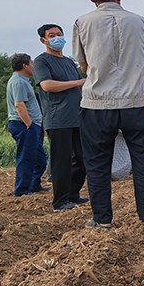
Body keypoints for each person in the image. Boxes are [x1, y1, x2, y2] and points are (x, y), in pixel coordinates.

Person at [72, 0, 144, 229]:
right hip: (138, 100)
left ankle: (102, 219)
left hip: (97, 103)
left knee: (97, 162)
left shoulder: (82, 22)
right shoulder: (141, 22)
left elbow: (83, 65)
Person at [33, 24, 88, 212]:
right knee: (61, 161)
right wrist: (78, 82)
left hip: (78, 118)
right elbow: (47, 85)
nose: (57, 38)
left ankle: (73, 194)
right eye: (52, 35)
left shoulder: (69, 62)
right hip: (58, 119)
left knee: (82, 159)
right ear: (43, 40)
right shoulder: (42, 62)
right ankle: (60, 201)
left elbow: (83, 85)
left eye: (59, 34)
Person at [6, 53, 48, 196]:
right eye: (31, 63)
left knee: (40, 159)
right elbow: (19, 105)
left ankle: (33, 185)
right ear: (24, 65)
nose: (32, 66)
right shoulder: (18, 82)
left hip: (30, 125)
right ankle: (22, 191)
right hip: (23, 125)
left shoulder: (23, 80)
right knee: (26, 158)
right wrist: (29, 125)